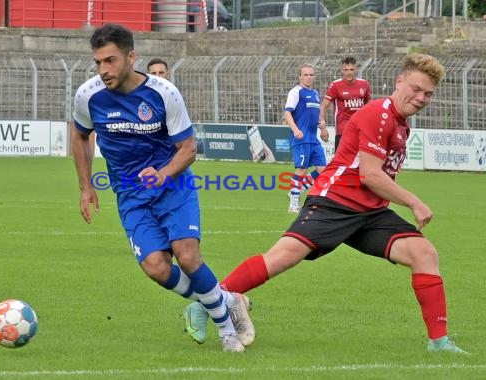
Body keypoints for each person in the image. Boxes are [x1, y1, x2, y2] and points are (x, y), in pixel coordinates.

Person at [183, 53, 468, 354]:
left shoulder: (401, 124)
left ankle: (438, 342)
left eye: (428, 94)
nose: (421, 97)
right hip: (335, 201)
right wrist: (415, 203)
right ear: (399, 82)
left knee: (424, 253)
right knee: (281, 258)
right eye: (416, 88)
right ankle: (206, 304)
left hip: (370, 211)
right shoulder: (378, 114)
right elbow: (370, 175)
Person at [71, 24, 253, 353]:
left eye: (110, 61)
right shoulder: (88, 96)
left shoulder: (163, 93)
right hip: (130, 194)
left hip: (173, 184)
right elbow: (80, 135)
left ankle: (227, 332)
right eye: (98, 63)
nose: (103, 70)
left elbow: (188, 149)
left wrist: (163, 173)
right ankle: (226, 300)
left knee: (186, 255)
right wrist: (86, 187)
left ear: (130, 57)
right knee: (155, 267)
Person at [284, 63, 329, 213]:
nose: (309, 77)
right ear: (300, 77)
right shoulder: (296, 92)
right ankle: (293, 204)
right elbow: (287, 113)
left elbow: (314, 117)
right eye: (306, 75)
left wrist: (322, 128)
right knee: (301, 170)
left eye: (311, 75)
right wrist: (295, 130)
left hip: (313, 139)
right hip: (301, 138)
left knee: (323, 170)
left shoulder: (315, 94)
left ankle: (295, 191)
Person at [320, 56, 371, 152]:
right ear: (342, 70)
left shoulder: (364, 84)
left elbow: (369, 104)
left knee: (361, 164)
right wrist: (323, 127)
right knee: (341, 164)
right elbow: (323, 106)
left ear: (355, 69)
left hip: (360, 130)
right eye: (346, 69)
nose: (349, 72)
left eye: (351, 69)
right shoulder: (335, 85)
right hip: (343, 131)